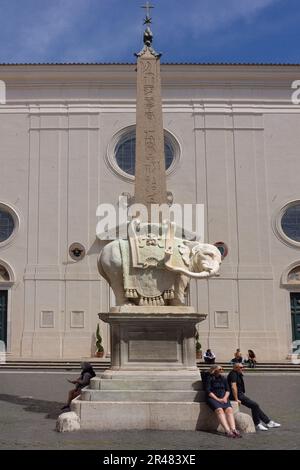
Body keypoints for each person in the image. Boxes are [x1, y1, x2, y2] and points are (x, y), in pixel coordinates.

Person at [227, 363, 281, 431]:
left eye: (242, 367)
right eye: (240, 367)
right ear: (235, 368)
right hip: (236, 395)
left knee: (255, 406)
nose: (242, 368)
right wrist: (236, 399)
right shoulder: (233, 374)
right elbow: (233, 386)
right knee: (254, 405)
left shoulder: (237, 373)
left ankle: (268, 422)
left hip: (240, 394)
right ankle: (258, 423)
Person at [204, 365, 242, 438]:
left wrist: (225, 398)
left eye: (222, 369)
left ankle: (233, 429)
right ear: (214, 370)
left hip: (223, 397)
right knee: (219, 410)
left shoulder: (223, 378)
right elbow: (208, 391)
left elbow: (228, 390)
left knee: (229, 409)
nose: (222, 370)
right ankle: (227, 430)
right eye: (220, 369)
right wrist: (218, 399)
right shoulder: (209, 378)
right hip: (213, 397)